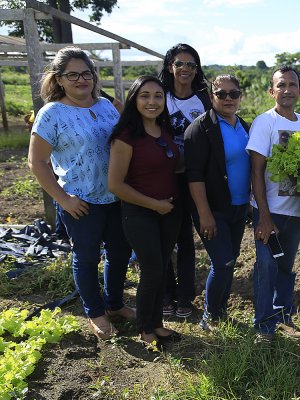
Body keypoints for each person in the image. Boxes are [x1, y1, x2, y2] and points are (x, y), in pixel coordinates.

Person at [28, 46, 134, 340]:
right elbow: (36, 162)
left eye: (86, 73)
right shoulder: (52, 113)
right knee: (86, 257)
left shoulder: (105, 105)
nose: (81, 80)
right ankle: (95, 312)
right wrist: (62, 199)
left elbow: (129, 133)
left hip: (115, 196)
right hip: (80, 200)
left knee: (120, 252)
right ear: (59, 79)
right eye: (72, 75)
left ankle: (114, 304)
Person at [246, 66, 300, 343]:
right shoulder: (265, 123)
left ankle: (283, 317)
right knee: (266, 265)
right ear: (272, 91)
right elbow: (256, 171)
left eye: (292, 85)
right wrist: (264, 216)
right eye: (281, 85)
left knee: (286, 266)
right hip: (270, 211)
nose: (287, 90)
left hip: (295, 212)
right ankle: (264, 324)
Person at [108, 75, 182, 348]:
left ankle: (157, 324)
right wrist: (155, 205)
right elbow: (115, 185)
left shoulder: (163, 130)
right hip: (141, 213)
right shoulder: (125, 136)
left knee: (162, 268)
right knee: (151, 270)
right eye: (145, 96)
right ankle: (145, 329)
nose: (152, 102)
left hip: (168, 211)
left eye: (158, 96)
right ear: (134, 100)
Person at [184, 74, 251, 331]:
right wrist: (205, 215)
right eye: (221, 94)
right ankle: (209, 317)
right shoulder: (200, 129)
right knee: (222, 262)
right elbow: (194, 175)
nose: (228, 99)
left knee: (230, 260)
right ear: (211, 97)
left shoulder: (244, 126)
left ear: (239, 96)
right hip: (213, 209)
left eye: (233, 93)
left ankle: (220, 312)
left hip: (238, 207)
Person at [158, 43, 212, 318]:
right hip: (162, 177)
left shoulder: (203, 100)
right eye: (180, 64)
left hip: (192, 177)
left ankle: (185, 298)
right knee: (166, 238)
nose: (186, 69)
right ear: (170, 67)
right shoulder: (159, 95)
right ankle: (165, 294)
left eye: (192, 65)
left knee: (188, 240)